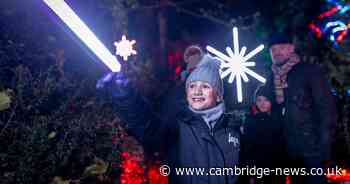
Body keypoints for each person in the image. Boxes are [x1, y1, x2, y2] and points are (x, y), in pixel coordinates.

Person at [97, 55, 241, 184]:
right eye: (192, 85)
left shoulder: (234, 129)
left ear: (218, 94)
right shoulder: (180, 125)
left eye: (205, 85)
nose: (197, 91)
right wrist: (127, 97)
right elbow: (150, 129)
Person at [266, 35, 337, 184]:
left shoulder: (309, 71)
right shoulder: (271, 77)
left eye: (281, 47)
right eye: (273, 49)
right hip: (288, 148)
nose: (276, 52)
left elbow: (326, 107)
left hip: (311, 146)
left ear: (292, 48)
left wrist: (323, 144)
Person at [240, 84, 285, 184]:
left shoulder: (279, 119)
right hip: (258, 170)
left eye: (266, 100)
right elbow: (248, 149)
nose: (262, 103)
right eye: (259, 100)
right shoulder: (250, 120)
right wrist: (251, 174)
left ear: (271, 101)